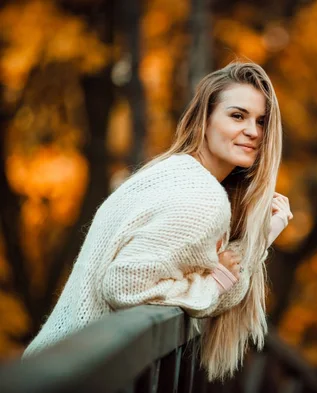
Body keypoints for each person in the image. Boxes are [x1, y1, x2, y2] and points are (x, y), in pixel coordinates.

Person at [22, 61, 293, 381]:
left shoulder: (173, 172)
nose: (253, 131)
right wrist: (214, 282)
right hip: (75, 378)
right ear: (204, 119)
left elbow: (218, 274)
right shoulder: (202, 196)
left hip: (56, 369)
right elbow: (125, 284)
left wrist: (259, 240)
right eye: (237, 116)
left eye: (262, 121)